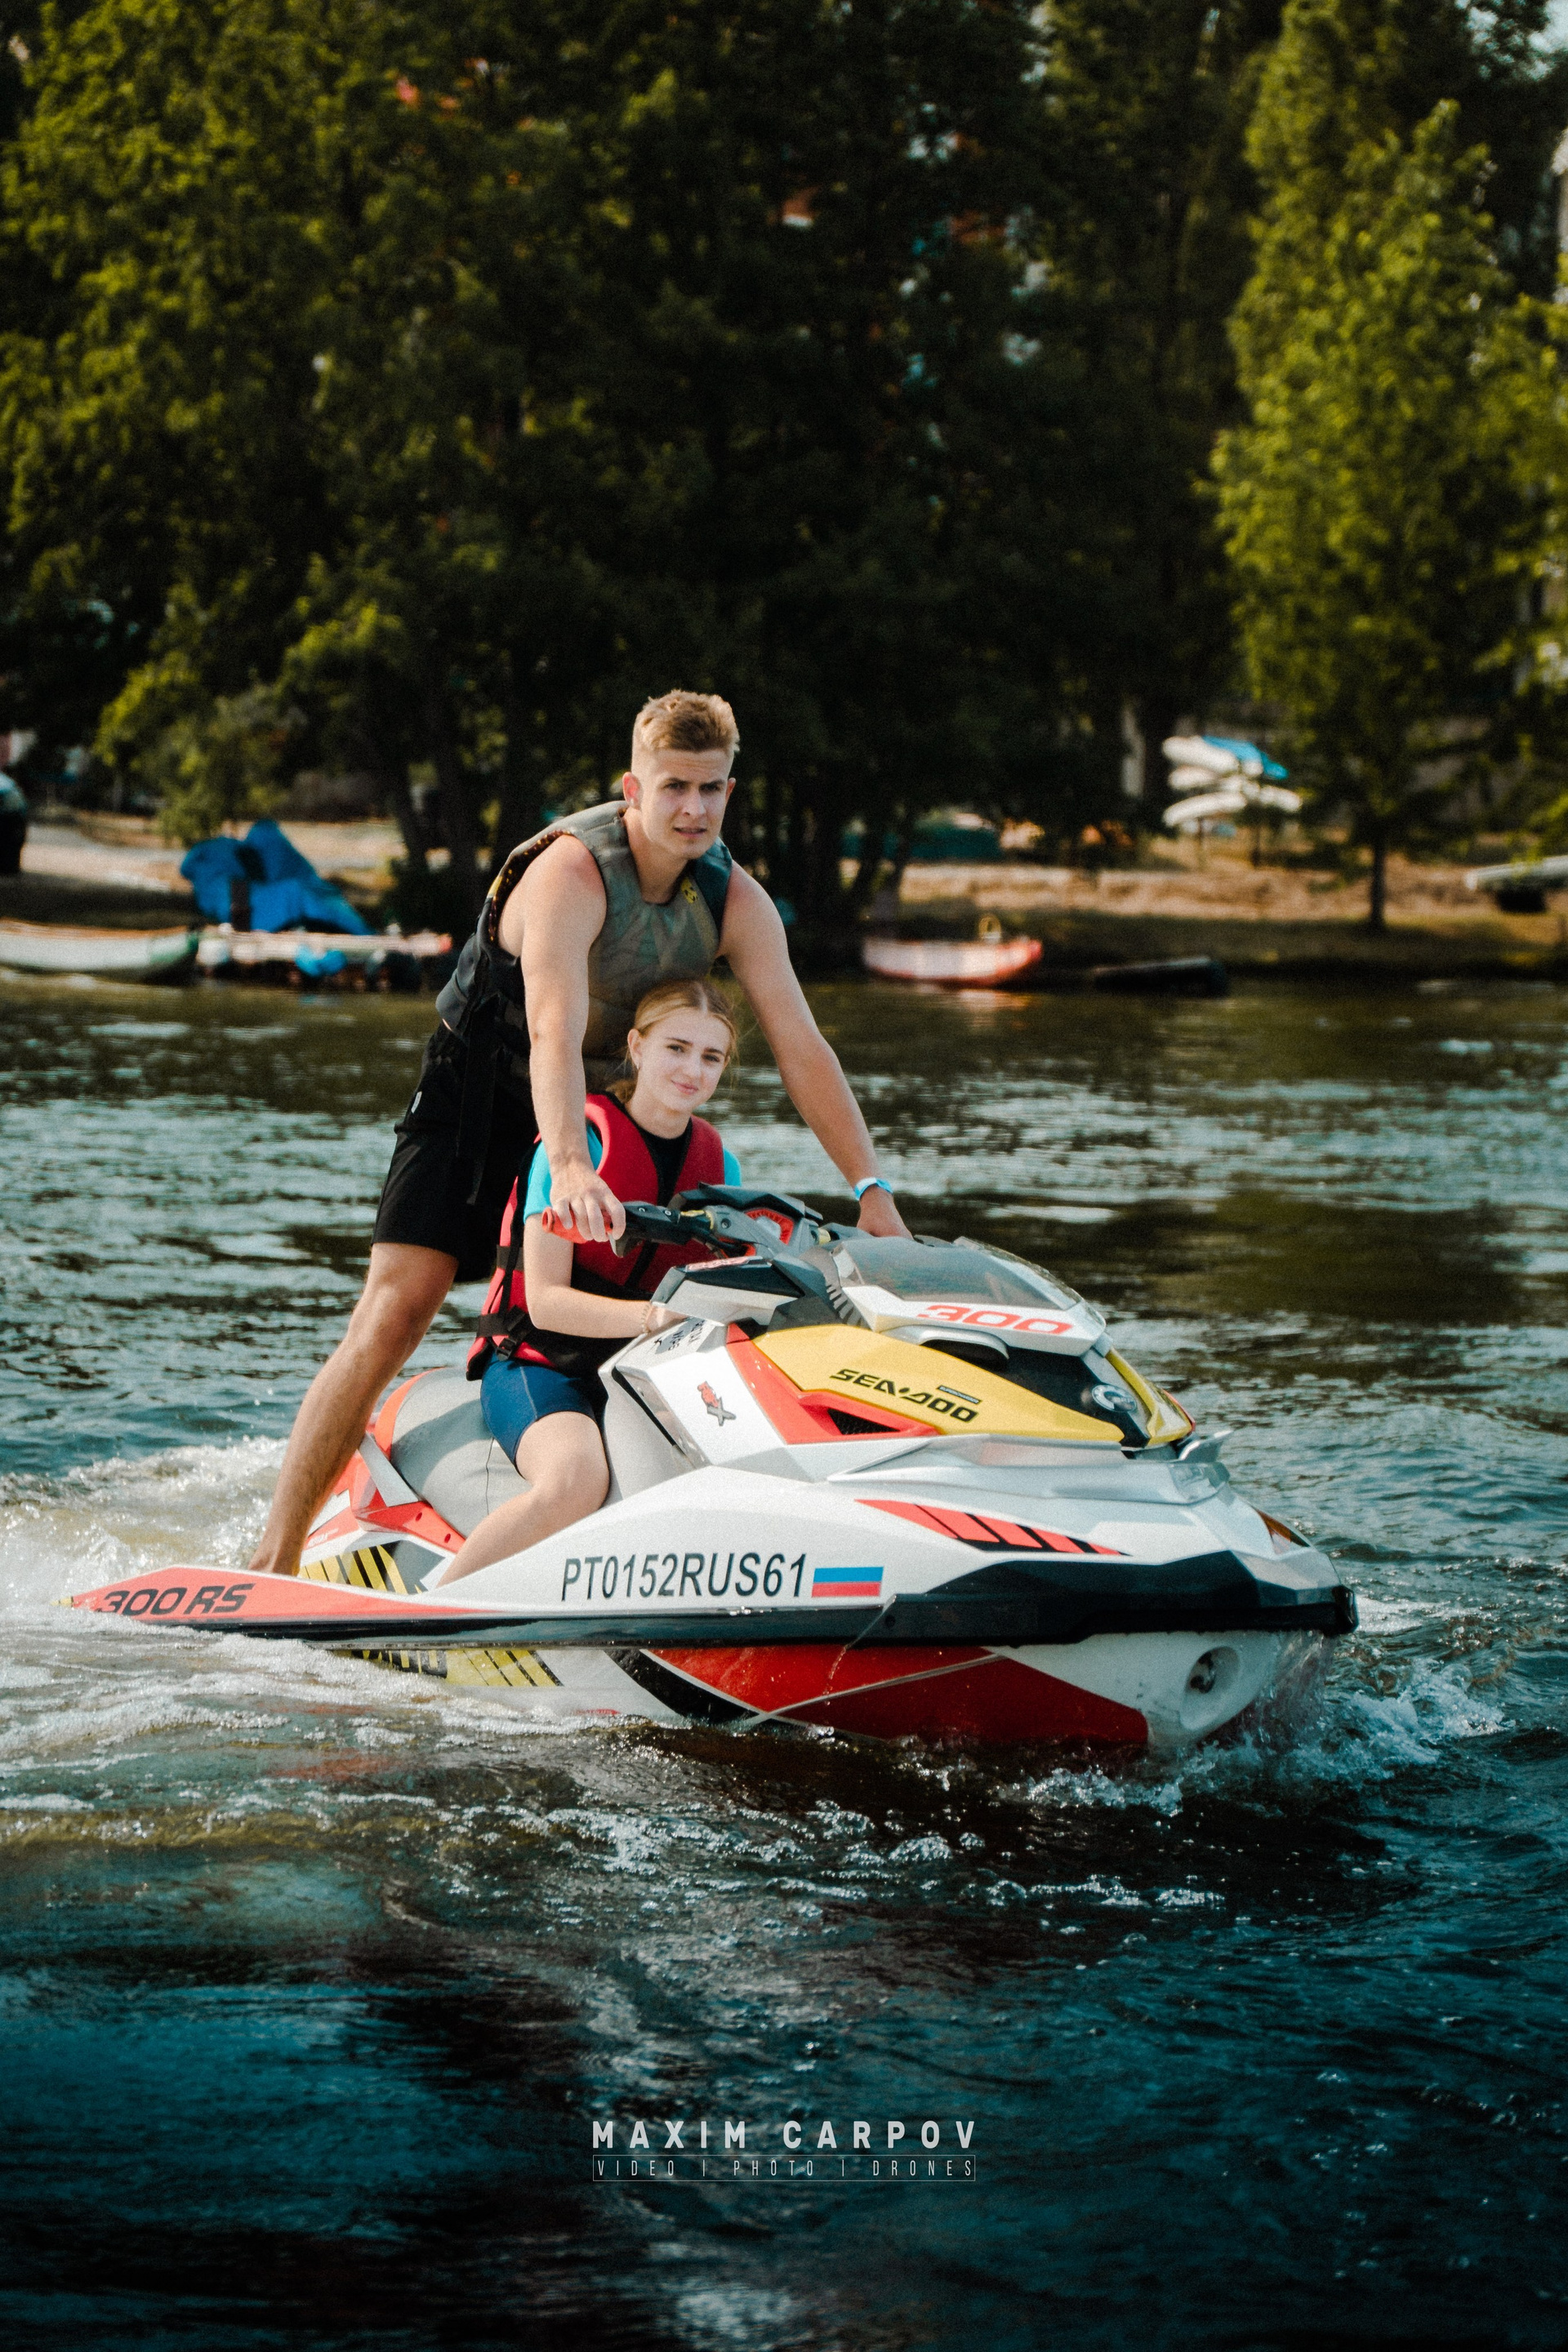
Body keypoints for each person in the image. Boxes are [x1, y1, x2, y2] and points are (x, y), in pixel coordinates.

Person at [246, 688, 907, 1578]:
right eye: (673, 787)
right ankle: (274, 1557)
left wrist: (872, 1191)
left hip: (601, 1108)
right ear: (632, 790)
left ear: (729, 792)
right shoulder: (572, 872)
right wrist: (566, 1166)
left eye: (710, 789)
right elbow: (552, 1027)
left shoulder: (735, 899)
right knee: (398, 1308)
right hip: (481, 1093)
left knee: (656, 1300)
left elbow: (801, 1046)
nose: (693, 808)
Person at [436, 978, 742, 1583]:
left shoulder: (720, 1166)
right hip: (539, 1363)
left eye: (712, 1057)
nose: (693, 1070)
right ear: (637, 1046)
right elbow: (545, 1302)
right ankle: (428, 1612)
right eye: (677, 1048)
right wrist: (653, 1319)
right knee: (577, 1480)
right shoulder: (580, 1147)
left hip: (639, 1372)